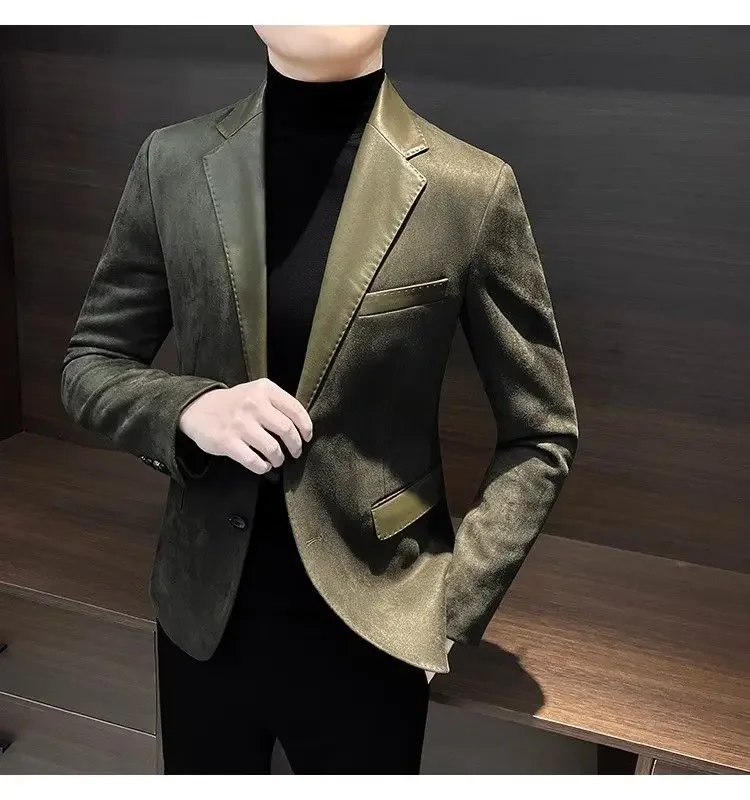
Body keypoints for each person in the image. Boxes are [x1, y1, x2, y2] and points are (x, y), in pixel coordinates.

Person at [61, 25, 579, 774]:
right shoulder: (171, 162)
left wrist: (449, 607)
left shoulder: (468, 188)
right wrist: (188, 409)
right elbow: (91, 363)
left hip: (377, 621)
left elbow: (542, 433)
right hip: (203, 612)